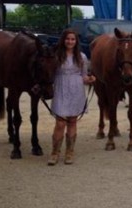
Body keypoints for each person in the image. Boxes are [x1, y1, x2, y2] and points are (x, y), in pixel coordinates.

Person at [48, 28, 96, 166]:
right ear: (63, 40)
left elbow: (84, 76)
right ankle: (55, 152)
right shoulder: (56, 55)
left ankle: (69, 152)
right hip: (61, 88)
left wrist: (91, 79)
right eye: (68, 39)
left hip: (76, 89)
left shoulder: (82, 57)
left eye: (73, 39)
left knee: (72, 121)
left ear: (76, 41)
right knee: (60, 122)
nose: (70, 41)